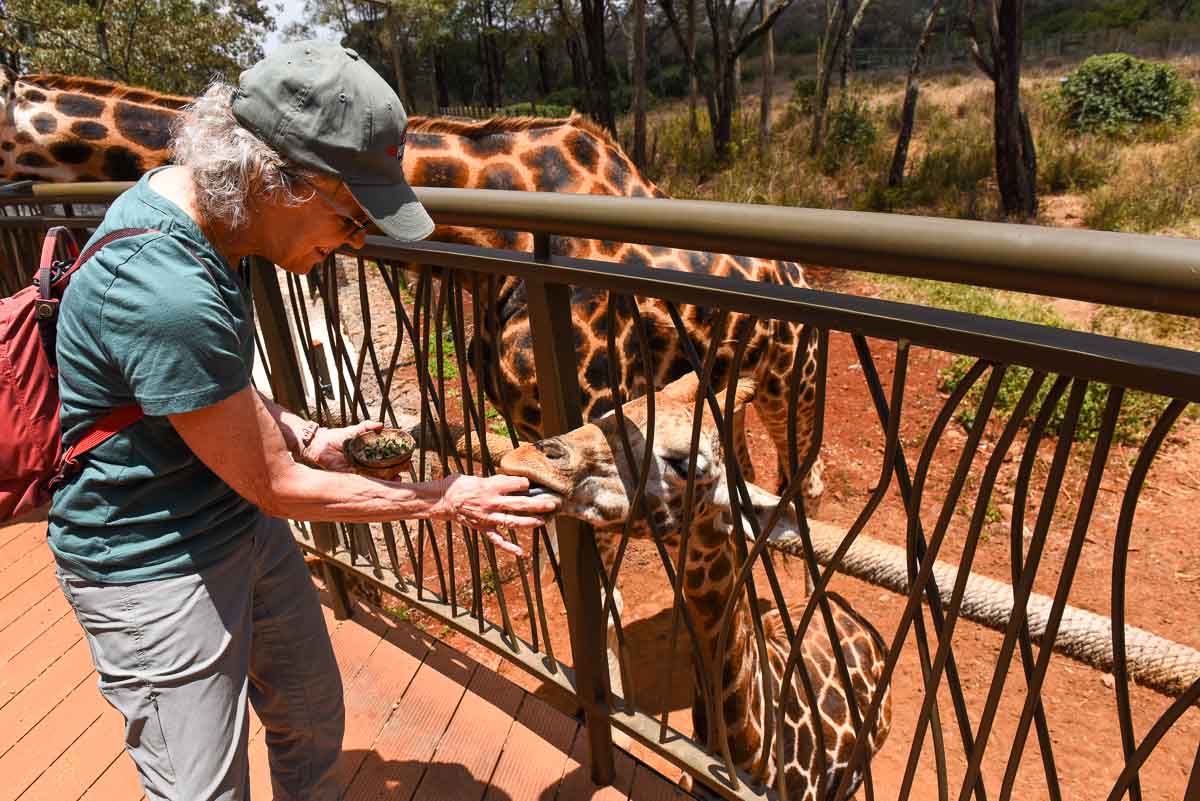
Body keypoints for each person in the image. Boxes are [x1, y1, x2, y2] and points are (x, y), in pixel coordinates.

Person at [49, 41, 558, 801]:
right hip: (150, 560)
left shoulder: (217, 218)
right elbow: (281, 487)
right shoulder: (169, 287)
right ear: (274, 177)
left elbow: (209, 389)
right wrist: (444, 497)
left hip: (231, 513)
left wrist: (310, 434)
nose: (355, 242)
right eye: (350, 216)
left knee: (312, 715)